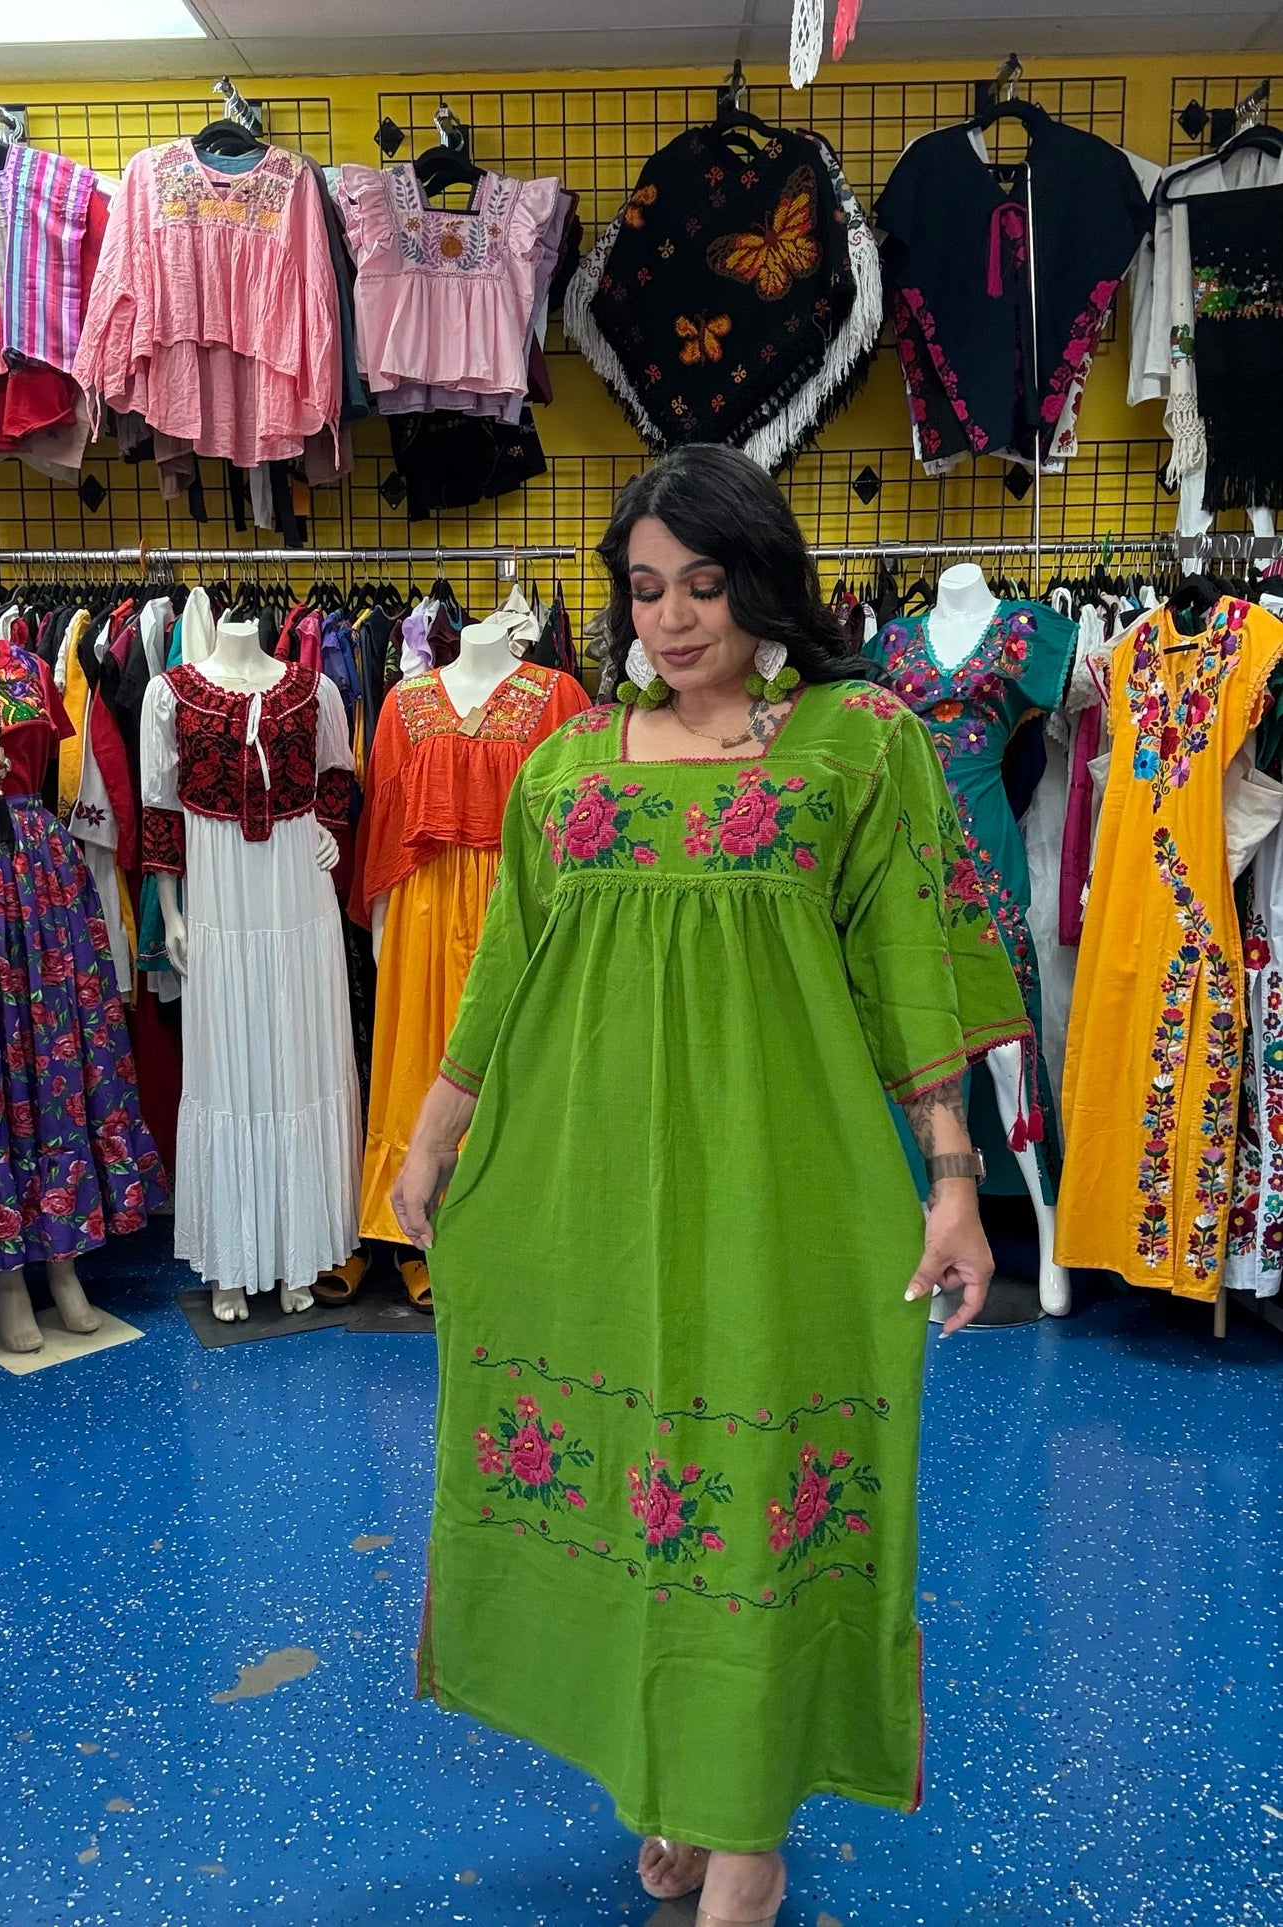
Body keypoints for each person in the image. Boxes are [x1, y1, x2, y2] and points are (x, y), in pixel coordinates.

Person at [393, 446, 1030, 1926]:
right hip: (587, 1181)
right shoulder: (565, 761)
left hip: (785, 1185)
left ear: (760, 583)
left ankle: (743, 1820)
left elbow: (911, 980)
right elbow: (507, 969)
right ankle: (665, 1775)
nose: (671, 618)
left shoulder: (854, 744)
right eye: (643, 587)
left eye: (702, 582)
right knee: (631, 1491)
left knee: (749, 1482)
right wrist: (431, 1133)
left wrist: (950, 1181)